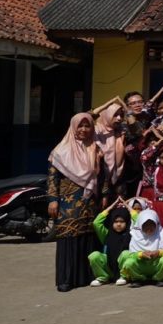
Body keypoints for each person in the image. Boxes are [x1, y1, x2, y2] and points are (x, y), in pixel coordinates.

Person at [48, 112, 105, 292]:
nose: (84, 129)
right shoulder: (60, 151)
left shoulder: (95, 148)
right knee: (67, 236)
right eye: (80, 126)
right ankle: (65, 279)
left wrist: (104, 195)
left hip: (90, 201)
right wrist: (52, 200)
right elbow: (52, 178)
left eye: (87, 126)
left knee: (88, 236)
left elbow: (103, 176)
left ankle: (86, 276)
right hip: (68, 202)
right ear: (73, 127)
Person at [119, 209, 163, 286]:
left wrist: (159, 253)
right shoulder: (136, 236)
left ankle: (159, 278)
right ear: (140, 225)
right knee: (129, 263)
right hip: (141, 264)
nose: (149, 228)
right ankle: (138, 279)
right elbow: (131, 255)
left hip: (155, 264)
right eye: (145, 225)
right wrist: (141, 254)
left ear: (156, 224)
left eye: (152, 224)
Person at [88, 200, 132, 287]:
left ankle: (124, 277)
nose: (118, 224)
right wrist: (111, 207)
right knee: (94, 256)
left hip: (123, 269)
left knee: (126, 254)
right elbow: (96, 223)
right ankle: (102, 277)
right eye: (116, 222)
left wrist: (128, 207)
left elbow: (137, 219)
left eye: (122, 222)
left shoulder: (130, 233)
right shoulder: (107, 234)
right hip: (109, 265)